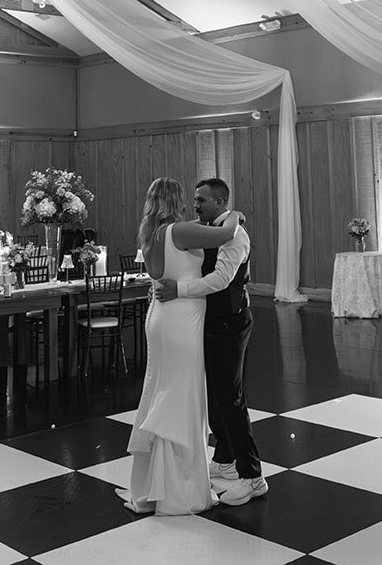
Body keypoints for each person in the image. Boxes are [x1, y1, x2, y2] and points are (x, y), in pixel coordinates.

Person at [123, 176, 243, 515]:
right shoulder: (178, 231)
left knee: (163, 389)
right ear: (174, 200)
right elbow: (226, 233)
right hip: (180, 320)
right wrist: (236, 214)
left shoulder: (151, 233)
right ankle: (179, 490)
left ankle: (157, 484)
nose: (192, 204)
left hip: (161, 316)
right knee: (182, 394)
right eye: (186, 198)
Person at [154, 176, 266, 505]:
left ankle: (252, 476)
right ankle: (226, 458)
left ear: (220, 202)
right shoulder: (207, 228)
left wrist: (180, 289)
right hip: (210, 321)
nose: (195, 204)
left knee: (230, 397)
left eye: (201, 199)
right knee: (214, 395)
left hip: (232, 321)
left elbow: (221, 279)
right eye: (194, 199)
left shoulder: (236, 235)